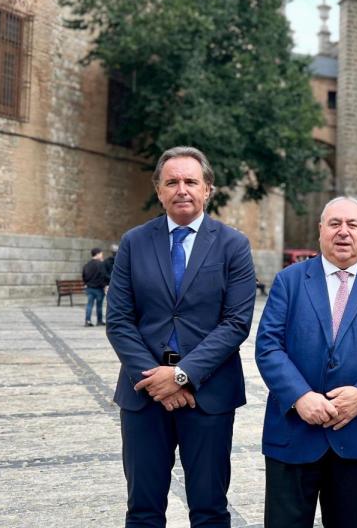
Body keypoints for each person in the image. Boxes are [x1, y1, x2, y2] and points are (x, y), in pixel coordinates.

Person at [106, 146, 256, 527]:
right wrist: (156, 380)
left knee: (208, 509)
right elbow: (120, 321)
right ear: (159, 190)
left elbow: (236, 323)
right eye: (172, 182)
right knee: (142, 510)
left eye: (191, 181)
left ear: (208, 189)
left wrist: (181, 375)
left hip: (207, 396)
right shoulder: (134, 242)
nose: (182, 189)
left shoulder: (232, 245)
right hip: (144, 396)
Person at [255, 197, 357, 528]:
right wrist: (299, 396)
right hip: (293, 432)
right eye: (335, 224)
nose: (343, 232)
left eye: (352, 225)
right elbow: (268, 346)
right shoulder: (289, 281)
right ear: (321, 230)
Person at [82, 247, 109, 327]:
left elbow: (84, 276)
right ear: (97, 254)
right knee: (99, 305)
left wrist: (86, 283)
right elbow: (103, 276)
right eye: (101, 254)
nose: (102, 255)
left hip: (89, 288)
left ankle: (87, 320)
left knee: (89, 304)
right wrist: (104, 285)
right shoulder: (101, 264)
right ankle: (99, 321)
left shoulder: (87, 264)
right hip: (98, 288)